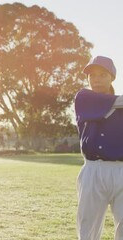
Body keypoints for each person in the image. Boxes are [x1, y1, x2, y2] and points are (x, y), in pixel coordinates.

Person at [75, 55, 123, 239]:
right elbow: (112, 103)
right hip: (93, 170)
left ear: (112, 77)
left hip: (121, 169)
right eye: (92, 75)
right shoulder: (84, 97)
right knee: (88, 227)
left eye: (102, 74)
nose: (96, 79)